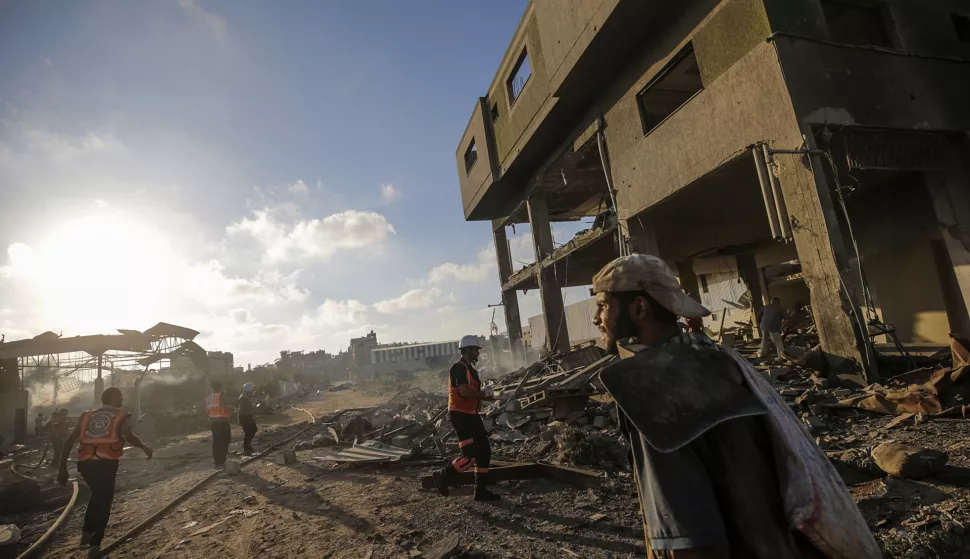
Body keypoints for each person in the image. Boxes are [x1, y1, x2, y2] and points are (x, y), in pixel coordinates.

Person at [591, 254, 877, 558]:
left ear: (640, 308)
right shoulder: (720, 360)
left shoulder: (650, 386)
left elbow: (688, 536)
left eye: (603, 305)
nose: (596, 318)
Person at [57, 387, 152, 557]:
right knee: (105, 501)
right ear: (113, 398)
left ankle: (87, 531)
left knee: (97, 494)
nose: (122, 399)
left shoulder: (86, 416)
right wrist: (145, 447)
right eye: (120, 396)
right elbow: (129, 436)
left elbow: (69, 440)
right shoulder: (120, 416)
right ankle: (95, 543)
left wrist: (62, 468)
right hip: (106, 464)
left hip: (85, 464)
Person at [431, 335, 500, 502]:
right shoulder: (458, 368)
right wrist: (484, 394)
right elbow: (463, 392)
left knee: (484, 452)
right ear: (468, 350)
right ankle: (443, 474)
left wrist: (488, 397)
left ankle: (480, 492)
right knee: (470, 456)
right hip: (460, 416)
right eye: (476, 349)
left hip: (471, 415)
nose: (478, 353)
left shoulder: (472, 371)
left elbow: (472, 394)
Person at [206, 380, 232, 468]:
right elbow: (228, 406)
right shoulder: (222, 396)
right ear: (220, 387)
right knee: (225, 441)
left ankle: (217, 461)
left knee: (216, 442)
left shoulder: (209, 397)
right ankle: (222, 461)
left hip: (213, 422)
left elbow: (207, 409)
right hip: (223, 422)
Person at [238, 382, 257, 456]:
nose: (253, 391)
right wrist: (240, 418)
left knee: (253, 430)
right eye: (252, 390)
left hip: (248, 416)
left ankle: (247, 445)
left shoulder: (246, 396)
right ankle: (246, 449)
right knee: (248, 432)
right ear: (249, 390)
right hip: (245, 417)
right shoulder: (243, 397)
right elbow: (241, 409)